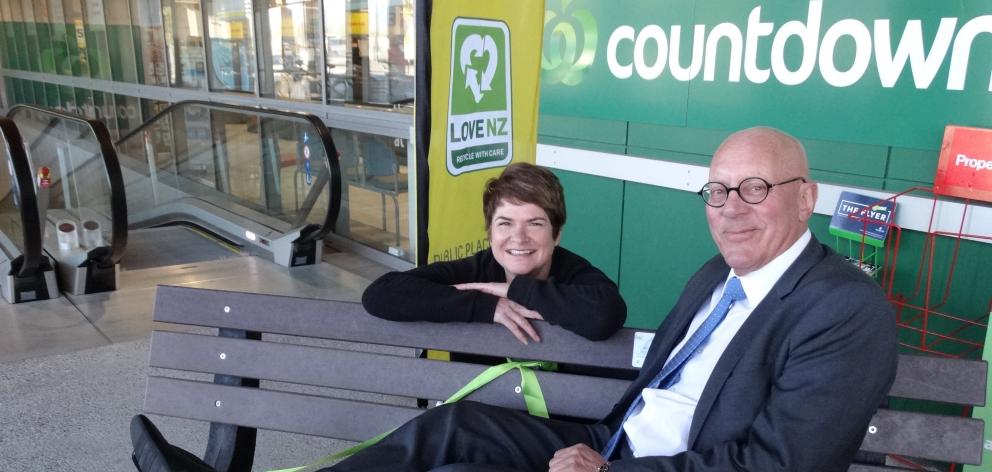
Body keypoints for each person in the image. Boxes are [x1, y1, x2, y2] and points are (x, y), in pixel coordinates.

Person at [324, 127, 898, 472]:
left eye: (755, 189)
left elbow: (781, 466)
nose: (730, 208)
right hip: (610, 442)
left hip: (643, 464)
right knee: (447, 429)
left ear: (806, 199)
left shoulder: (843, 308)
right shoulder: (716, 275)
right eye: (718, 190)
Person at [362, 162, 627, 344]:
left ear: (556, 234)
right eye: (505, 223)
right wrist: (486, 305)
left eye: (535, 223)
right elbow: (381, 294)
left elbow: (605, 314)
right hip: (478, 412)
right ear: (490, 233)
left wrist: (515, 290)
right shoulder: (477, 270)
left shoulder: (573, 272)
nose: (519, 237)